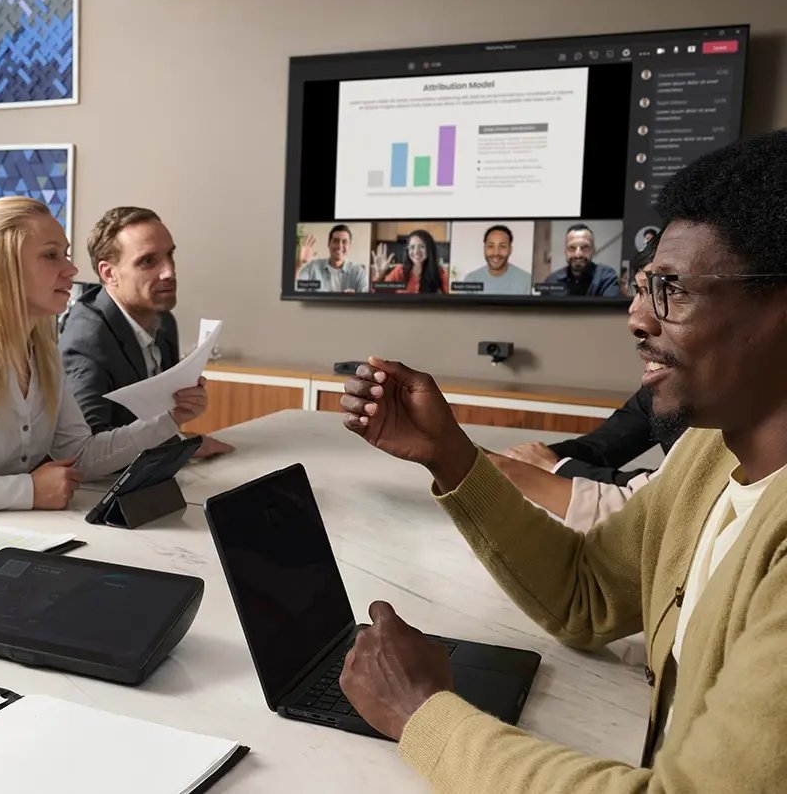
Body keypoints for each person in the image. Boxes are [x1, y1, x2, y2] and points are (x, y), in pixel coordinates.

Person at [337, 129, 787, 791]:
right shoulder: (708, 452)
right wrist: (451, 456)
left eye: (673, 290)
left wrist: (422, 715)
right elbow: (589, 593)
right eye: (643, 287)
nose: (638, 318)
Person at [0, 197, 208, 513]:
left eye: (65, 254)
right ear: (2, 268)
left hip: (12, 532)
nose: (71, 269)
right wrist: (28, 490)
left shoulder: (42, 353)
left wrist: (169, 419)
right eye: (51, 256)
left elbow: (80, 455)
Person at [490, 234, 686, 528]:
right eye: (640, 291)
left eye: (661, 291)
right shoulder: (661, 385)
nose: (634, 315)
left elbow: (670, 495)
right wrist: (526, 461)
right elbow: (600, 447)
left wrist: (554, 468)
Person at [59, 206, 232, 458]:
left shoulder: (164, 320)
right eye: (148, 261)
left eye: (170, 255)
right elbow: (87, 448)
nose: (169, 271)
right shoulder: (88, 338)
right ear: (109, 273)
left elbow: (158, 418)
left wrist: (183, 409)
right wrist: (179, 447)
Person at [542, 223, 620, 296]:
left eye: (585, 247)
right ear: (565, 252)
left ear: (593, 250)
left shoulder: (606, 278)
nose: (578, 255)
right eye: (572, 248)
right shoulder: (552, 281)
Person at [295, 223, 369, 293]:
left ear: (349, 246)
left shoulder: (359, 272)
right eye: (336, 241)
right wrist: (299, 263)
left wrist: (356, 298)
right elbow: (296, 288)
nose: (340, 246)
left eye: (344, 242)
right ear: (329, 244)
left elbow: (366, 298)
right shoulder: (313, 267)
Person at [461, 224, 532, 295]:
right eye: (491, 246)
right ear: (484, 249)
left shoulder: (527, 280)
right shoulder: (471, 280)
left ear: (510, 250)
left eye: (502, 246)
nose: (496, 253)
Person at [379, 229, 449, 294]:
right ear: (408, 250)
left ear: (429, 249)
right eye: (412, 247)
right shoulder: (399, 271)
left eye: (421, 246)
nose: (416, 252)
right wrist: (380, 275)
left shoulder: (440, 273)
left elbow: (450, 297)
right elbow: (380, 293)